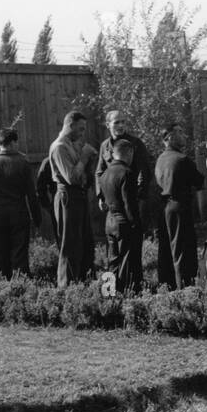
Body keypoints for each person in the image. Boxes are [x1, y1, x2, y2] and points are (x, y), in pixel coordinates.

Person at [0, 128, 41, 278]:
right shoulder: (23, 162)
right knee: (19, 253)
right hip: (18, 211)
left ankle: (1, 286)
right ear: (13, 142)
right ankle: (20, 286)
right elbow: (32, 194)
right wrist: (37, 218)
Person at [154, 123, 204, 289]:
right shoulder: (182, 159)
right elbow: (199, 181)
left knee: (167, 250)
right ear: (168, 137)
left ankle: (166, 288)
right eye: (180, 132)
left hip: (164, 208)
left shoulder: (160, 159)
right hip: (180, 207)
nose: (184, 135)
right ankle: (186, 289)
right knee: (184, 250)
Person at [50, 110, 94, 287]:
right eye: (81, 129)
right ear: (70, 125)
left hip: (78, 196)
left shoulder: (71, 144)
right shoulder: (60, 147)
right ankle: (66, 288)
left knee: (84, 243)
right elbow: (72, 177)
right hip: (67, 197)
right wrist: (84, 156)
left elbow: (83, 176)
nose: (82, 133)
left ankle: (83, 284)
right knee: (70, 245)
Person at [96, 110, 156, 228]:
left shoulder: (135, 143)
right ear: (108, 125)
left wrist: (141, 197)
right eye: (117, 122)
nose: (121, 125)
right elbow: (99, 172)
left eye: (123, 122)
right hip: (113, 200)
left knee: (134, 233)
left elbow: (145, 171)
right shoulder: (105, 146)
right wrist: (101, 197)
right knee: (115, 233)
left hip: (131, 197)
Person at [98, 138, 144, 292]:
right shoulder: (127, 173)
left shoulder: (104, 174)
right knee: (127, 261)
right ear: (129, 152)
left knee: (112, 260)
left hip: (109, 221)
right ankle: (127, 293)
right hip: (124, 222)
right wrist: (136, 224)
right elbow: (128, 203)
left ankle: (108, 293)